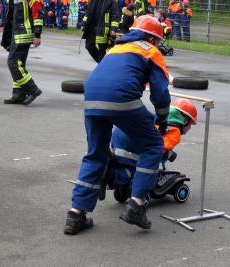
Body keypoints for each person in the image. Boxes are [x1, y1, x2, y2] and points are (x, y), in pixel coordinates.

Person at [64, 15, 171, 235]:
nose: (159, 43)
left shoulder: (116, 48)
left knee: (96, 154)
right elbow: (160, 94)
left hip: (91, 97)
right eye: (159, 39)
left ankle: (75, 214)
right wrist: (162, 119)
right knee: (152, 145)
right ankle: (137, 204)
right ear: (152, 37)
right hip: (121, 98)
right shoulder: (151, 51)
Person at [110, 98, 198, 193]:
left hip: (119, 135)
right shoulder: (175, 132)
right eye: (191, 125)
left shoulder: (160, 116)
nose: (190, 128)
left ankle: (107, 169)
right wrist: (169, 154)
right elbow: (157, 149)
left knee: (126, 162)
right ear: (185, 121)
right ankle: (113, 176)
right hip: (129, 144)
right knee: (145, 170)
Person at [1, 0, 43, 105]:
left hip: (23, 35)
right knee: (19, 64)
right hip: (15, 34)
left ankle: (32, 89)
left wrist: (37, 34)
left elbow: (37, 13)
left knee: (13, 63)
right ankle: (18, 95)